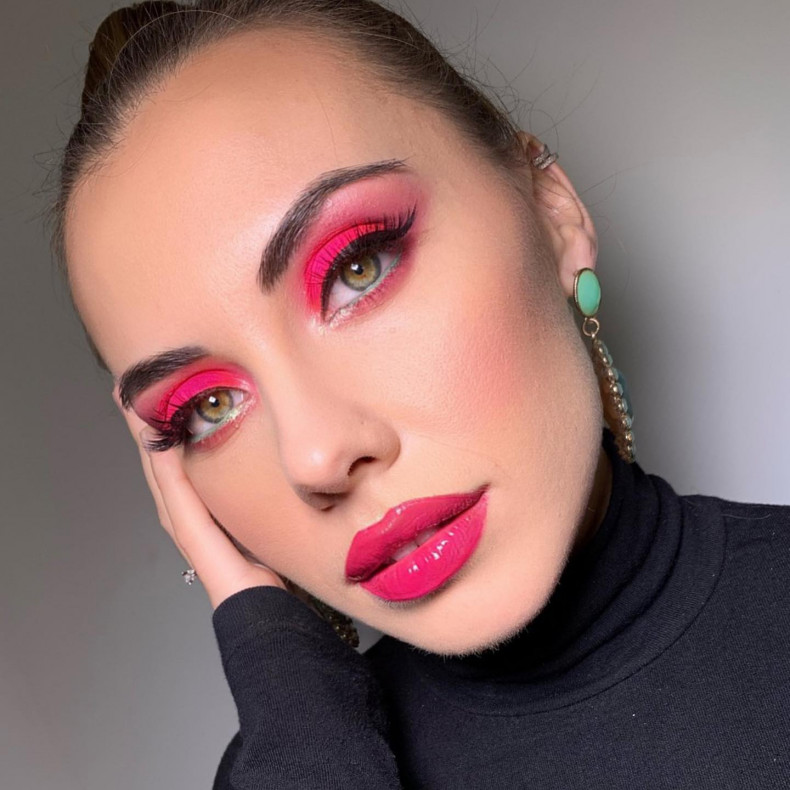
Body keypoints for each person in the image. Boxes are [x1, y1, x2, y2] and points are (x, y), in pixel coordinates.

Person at [50, 0, 790, 787]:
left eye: (357, 268)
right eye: (206, 409)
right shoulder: (287, 763)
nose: (316, 456)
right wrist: (280, 673)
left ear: (552, 212)